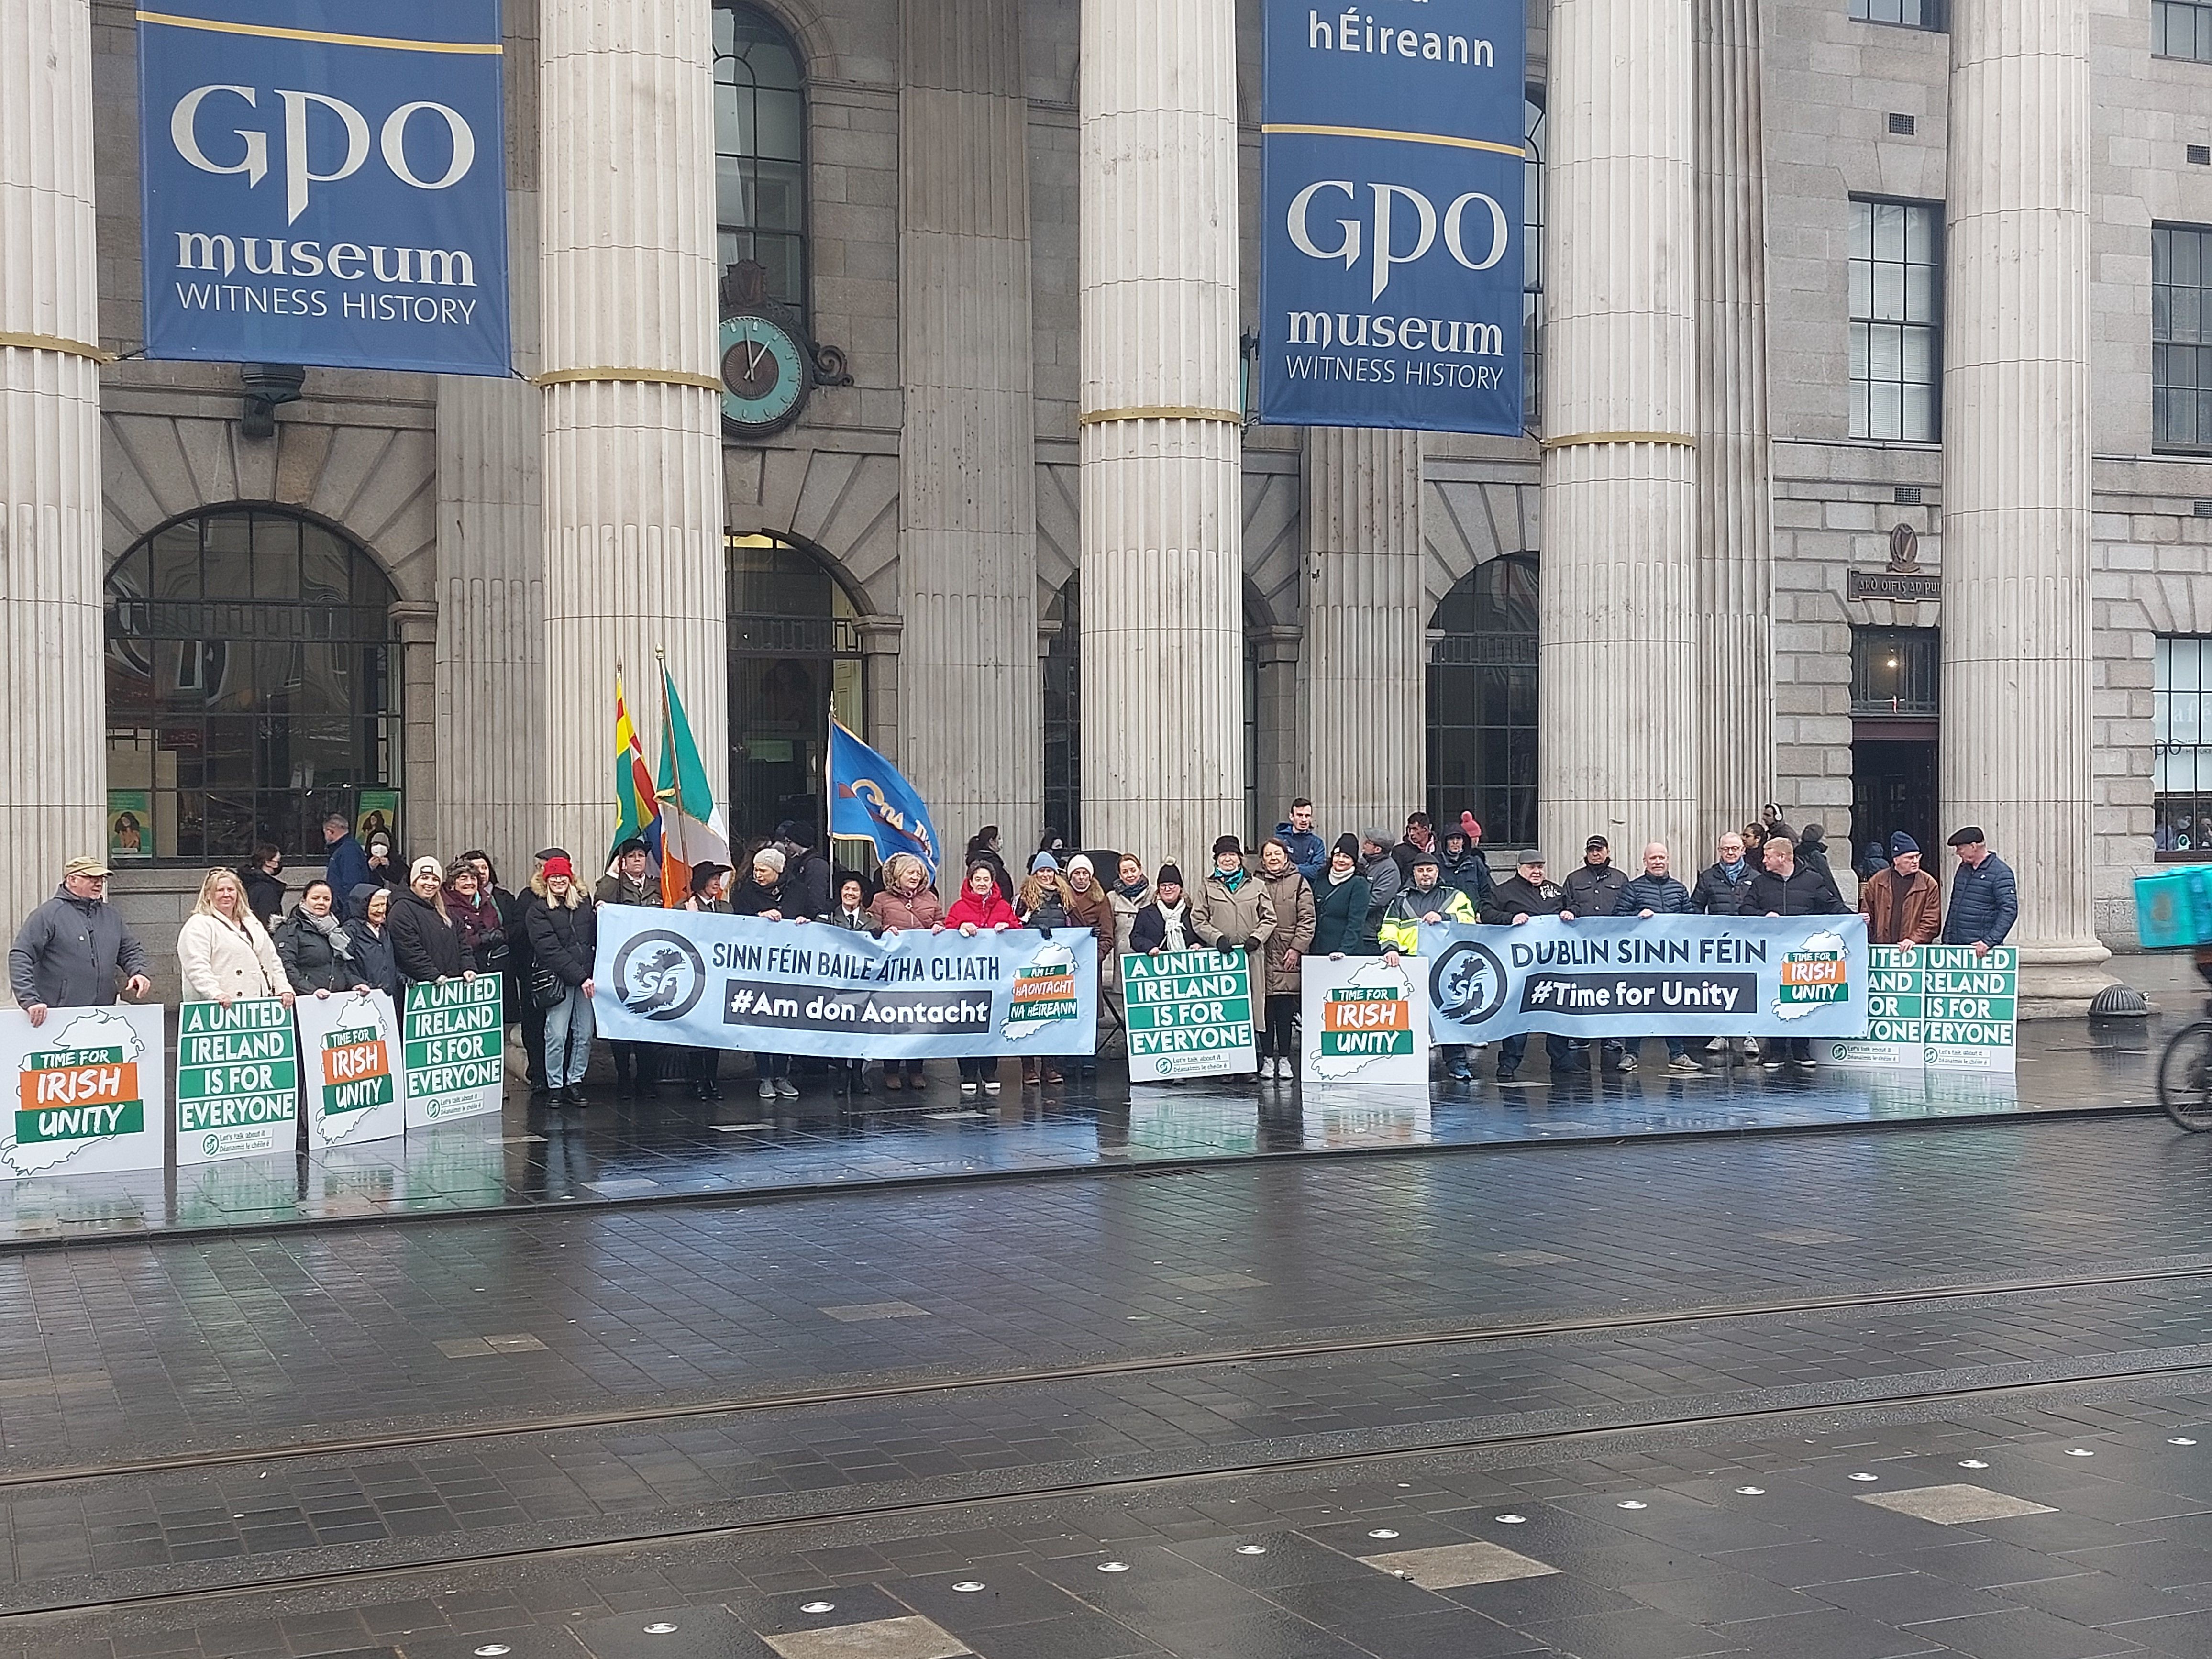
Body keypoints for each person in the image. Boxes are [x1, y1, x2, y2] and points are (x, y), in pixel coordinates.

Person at [8, 856, 153, 1026]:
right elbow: (21, 955)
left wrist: (139, 972)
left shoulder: (111, 915)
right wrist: (30, 1000)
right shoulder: (48, 915)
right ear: (72, 880)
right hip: (57, 1016)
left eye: (101, 879)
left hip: (103, 1014)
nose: (99, 884)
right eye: (92, 878)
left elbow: (130, 950)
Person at [1746, 830, 1847, 1068]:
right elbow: (1745, 909)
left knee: (1802, 998)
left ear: (1783, 857)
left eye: (1767, 856)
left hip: (1803, 954)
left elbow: (1832, 906)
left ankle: (1802, 1049)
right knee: (1773, 997)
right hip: (1771, 954)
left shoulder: (1812, 880)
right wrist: (1764, 915)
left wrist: (1855, 920)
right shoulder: (1761, 883)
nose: (1763, 861)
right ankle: (1776, 1050)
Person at [1380, 848, 1478, 1080]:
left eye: (1430, 870)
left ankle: (1457, 1062)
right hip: (1409, 963)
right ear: (1413, 874)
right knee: (1409, 1016)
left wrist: (1443, 918)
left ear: (1437, 872)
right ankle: (1407, 1065)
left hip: (1445, 964)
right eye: (1421, 870)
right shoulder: (1401, 899)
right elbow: (1389, 928)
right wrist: (1391, 949)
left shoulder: (1454, 896)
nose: (1425, 875)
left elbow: (1469, 921)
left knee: (1450, 1016)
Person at [1482, 852, 1576, 1084]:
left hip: (1554, 965)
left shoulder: (1554, 890)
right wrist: (1510, 918)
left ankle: (1561, 1059)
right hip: (1520, 968)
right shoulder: (1504, 892)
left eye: (1541, 867)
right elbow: (1486, 913)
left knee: (1557, 1010)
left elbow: (1573, 906)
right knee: (1518, 1013)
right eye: (1532, 867)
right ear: (1519, 868)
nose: (1537, 871)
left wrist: (1572, 912)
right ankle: (1509, 1062)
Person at [1193, 836, 1278, 1079]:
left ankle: (1250, 1064)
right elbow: (1198, 920)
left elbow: (1269, 917)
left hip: (1251, 956)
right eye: (1223, 856)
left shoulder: (1257, 885)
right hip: (1221, 957)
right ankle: (1226, 1066)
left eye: (1232, 855)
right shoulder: (1207, 887)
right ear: (1216, 860)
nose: (1228, 860)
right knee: (1224, 1009)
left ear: (1240, 858)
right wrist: (1216, 938)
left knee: (1251, 1007)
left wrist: (1257, 937)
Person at [1614, 843, 1701, 1075]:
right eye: (1653, 858)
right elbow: (1617, 917)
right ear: (1645, 861)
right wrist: (1636, 916)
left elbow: (1691, 919)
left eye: (1662, 857)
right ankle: (1631, 1054)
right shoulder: (1633, 889)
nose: (1658, 862)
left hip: (1672, 960)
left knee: (1673, 1005)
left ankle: (1678, 1054)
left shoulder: (1679, 889)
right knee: (1638, 1006)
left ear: (1668, 859)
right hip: (1641, 961)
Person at [733, 845, 807, 1100]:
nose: (758, 874)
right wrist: (759, 917)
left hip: (788, 971)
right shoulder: (746, 893)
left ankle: (782, 1076)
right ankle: (764, 1077)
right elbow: (735, 924)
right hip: (759, 970)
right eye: (756, 869)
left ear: (777, 871)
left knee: (784, 1023)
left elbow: (810, 914)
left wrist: (803, 922)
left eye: (763, 870)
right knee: (762, 1023)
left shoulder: (797, 891)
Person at [526, 855, 597, 1107]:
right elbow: (549, 950)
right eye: (553, 876)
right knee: (556, 1034)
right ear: (546, 880)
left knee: (585, 1034)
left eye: (562, 876)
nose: (558, 880)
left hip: (585, 979)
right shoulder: (538, 910)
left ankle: (574, 1082)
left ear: (571, 878)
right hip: (560, 980)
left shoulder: (584, 904)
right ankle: (555, 1085)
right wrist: (580, 977)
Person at [870, 852, 944, 1092]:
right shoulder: (881, 899)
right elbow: (870, 926)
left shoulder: (930, 898)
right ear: (897, 876)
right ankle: (891, 1070)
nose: (915, 877)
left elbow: (942, 921)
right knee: (893, 1019)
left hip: (922, 972)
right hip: (892, 972)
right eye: (910, 873)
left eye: (918, 873)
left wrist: (939, 927)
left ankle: (916, 1070)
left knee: (919, 1020)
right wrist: (884, 929)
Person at [596, 837, 663, 1095]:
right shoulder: (613, 886)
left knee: (649, 1020)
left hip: (651, 962)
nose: (638, 860)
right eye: (632, 856)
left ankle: (646, 1078)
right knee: (621, 1022)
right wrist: (613, 874)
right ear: (622, 862)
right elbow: (600, 903)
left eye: (641, 856)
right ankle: (623, 1076)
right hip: (622, 964)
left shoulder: (657, 887)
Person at [946, 861, 1018, 1096]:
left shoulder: (1004, 906)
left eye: (986, 879)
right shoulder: (958, 907)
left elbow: (1019, 933)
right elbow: (946, 933)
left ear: (992, 882)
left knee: (992, 1023)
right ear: (970, 881)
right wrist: (960, 927)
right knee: (966, 1023)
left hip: (995, 979)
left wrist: (1007, 927)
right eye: (978, 879)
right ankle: (968, 1072)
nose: (982, 884)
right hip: (966, 979)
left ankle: (989, 1071)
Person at [177, 867, 294, 1008]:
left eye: (231, 890)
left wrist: (283, 988)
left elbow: (272, 959)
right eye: (220, 890)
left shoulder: (252, 922)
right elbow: (196, 966)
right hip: (219, 1006)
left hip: (258, 1004)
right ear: (208, 895)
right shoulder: (199, 924)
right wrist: (215, 993)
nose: (226, 895)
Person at [1563, 836, 1629, 1072]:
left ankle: (1611, 1035)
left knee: (1612, 991)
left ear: (1608, 851)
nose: (1595, 854)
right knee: (1583, 991)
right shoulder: (1574, 879)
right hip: (1582, 946)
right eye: (1591, 850)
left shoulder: (1620, 878)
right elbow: (1567, 905)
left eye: (1599, 850)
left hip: (1613, 946)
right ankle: (1581, 1035)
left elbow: (1628, 908)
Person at [1255, 838, 1316, 1081]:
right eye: (1268, 854)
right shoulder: (1254, 882)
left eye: (1277, 853)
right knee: (1264, 1010)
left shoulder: (1299, 882)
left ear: (1286, 856)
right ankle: (1267, 1057)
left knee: (1284, 1010)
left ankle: (1285, 1058)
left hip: (1287, 953)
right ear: (1262, 859)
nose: (1273, 858)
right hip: (1260, 953)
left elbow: (1308, 919)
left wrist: (1297, 948)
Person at [821, 872, 882, 1095]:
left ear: (862, 895)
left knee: (859, 1029)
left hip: (862, 987)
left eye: (855, 890)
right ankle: (842, 1073)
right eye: (846, 889)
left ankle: (857, 1074)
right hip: (836, 985)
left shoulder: (874, 924)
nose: (850, 893)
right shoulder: (826, 919)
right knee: (838, 1029)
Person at [680, 863, 733, 1100]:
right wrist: (691, 918)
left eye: (719, 878)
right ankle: (696, 1079)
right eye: (713, 878)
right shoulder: (684, 908)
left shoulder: (726, 908)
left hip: (718, 978)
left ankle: (712, 1078)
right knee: (694, 1030)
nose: (717, 883)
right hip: (695, 978)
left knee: (714, 1030)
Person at [511, 848, 561, 1092]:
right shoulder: (528, 897)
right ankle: (539, 1072)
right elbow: (518, 933)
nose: (539, 872)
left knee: (562, 1027)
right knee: (534, 1025)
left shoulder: (574, 896)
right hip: (533, 971)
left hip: (564, 972)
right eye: (538, 867)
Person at [1063, 853, 1115, 1081]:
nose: (1081, 878)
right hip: (1063, 964)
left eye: (1085, 873)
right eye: (1077, 873)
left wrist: (1097, 955)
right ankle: (1067, 1058)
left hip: (1089, 964)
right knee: (1065, 1011)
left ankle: (1088, 1059)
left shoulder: (1101, 899)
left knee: (1088, 1012)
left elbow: (1107, 934)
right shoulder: (1061, 897)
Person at [274, 879, 364, 998]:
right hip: (306, 1000)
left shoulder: (335, 930)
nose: (321, 903)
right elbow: (286, 966)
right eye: (315, 898)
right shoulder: (290, 929)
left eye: (326, 899)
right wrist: (312, 990)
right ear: (304, 900)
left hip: (335, 999)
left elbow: (340, 966)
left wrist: (355, 983)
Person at [388, 857, 470, 985]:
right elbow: (409, 950)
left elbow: (463, 942)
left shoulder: (445, 910)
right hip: (421, 989)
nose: (430, 883)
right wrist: (433, 975)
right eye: (425, 878)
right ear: (414, 881)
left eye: (435, 879)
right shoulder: (401, 910)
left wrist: (468, 967)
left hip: (450, 986)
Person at [1942, 827, 2018, 957]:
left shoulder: (2001, 872)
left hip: (1981, 948)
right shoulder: (1963, 869)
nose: (1957, 853)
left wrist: (1989, 941)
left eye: (1960, 848)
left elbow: (2009, 910)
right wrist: (1947, 939)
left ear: (1973, 846)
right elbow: (1955, 905)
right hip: (1957, 945)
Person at [1860, 832, 1941, 946]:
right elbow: (1867, 913)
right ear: (1896, 860)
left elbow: (1932, 921)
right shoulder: (1877, 881)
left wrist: (1914, 939)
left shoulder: (1928, 884)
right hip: (1882, 948)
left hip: (1914, 949)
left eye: (1918, 856)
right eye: (1910, 858)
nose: (1916, 861)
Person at [446, 859, 509, 987]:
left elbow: (497, 925)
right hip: (460, 973)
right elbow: (453, 942)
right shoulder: (446, 906)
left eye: (473, 878)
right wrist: (481, 939)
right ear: (453, 883)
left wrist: (499, 935)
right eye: (463, 878)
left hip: (489, 970)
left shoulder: (486, 901)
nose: (469, 883)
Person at [1309, 835, 1372, 959]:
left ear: (1354, 861)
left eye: (1346, 857)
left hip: (1346, 953)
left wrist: (1344, 950)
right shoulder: (1321, 878)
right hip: (1318, 951)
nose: (1341, 860)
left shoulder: (1359, 884)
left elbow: (1356, 922)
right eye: (1338, 855)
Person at [348, 884, 402, 998]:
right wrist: (359, 984)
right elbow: (344, 967)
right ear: (363, 907)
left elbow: (389, 962)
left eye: (383, 905)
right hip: (364, 997)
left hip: (388, 996)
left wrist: (401, 978)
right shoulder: (350, 931)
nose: (381, 910)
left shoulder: (384, 930)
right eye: (376, 906)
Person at [1129, 863, 1195, 954]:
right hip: (1156, 964)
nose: (1167, 889)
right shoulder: (1146, 914)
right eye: (1163, 886)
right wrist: (1149, 947)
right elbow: (1135, 938)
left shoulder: (1192, 913)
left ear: (1180, 888)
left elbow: (1202, 934)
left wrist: (1198, 944)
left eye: (1172, 885)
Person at [1358, 828, 1403, 952]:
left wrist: (1353, 910)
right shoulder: (1363, 862)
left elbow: (1378, 901)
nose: (1364, 844)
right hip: (1357, 929)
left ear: (1377, 849)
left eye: (1368, 843)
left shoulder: (1390, 870)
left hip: (1372, 932)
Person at [1438, 819, 1496, 911]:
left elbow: (1487, 892)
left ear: (1464, 842)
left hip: (1474, 917)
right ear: (1445, 842)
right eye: (1451, 839)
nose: (1455, 842)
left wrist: (1483, 912)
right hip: (1446, 919)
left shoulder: (1475, 863)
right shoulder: (1436, 864)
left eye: (1459, 839)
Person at [778, 821, 832, 920]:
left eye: (788, 841)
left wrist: (812, 917)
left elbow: (816, 898)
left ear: (799, 841)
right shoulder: (800, 862)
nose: (786, 846)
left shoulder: (816, 864)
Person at [1276, 799, 1327, 883]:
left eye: (1307, 816)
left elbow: (1317, 872)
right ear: (1291, 817)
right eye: (1300, 815)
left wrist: (1292, 868)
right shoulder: (1280, 840)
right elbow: (1279, 868)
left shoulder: (1318, 843)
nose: (1304, 820)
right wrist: (1307, 867)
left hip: (1310, 889)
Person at [322, 813, 370, 899]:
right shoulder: (347, 848)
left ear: (330, 831)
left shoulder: (348, 851)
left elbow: (352, 884)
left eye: (325, 832)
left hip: (345, 907)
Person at [963, 827, 1015, 902]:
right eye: (999, 838)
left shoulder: (989, 859)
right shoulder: (989, 862)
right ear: (991, 841)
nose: (1001, 841)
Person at [239, 844, 286, 926]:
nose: (279, 865)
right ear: (268, 862)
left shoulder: (248, 881)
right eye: (278, 861)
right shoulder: (266, 889)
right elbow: (269, 920)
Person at [1390, 812, 1436, 881]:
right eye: (1410, 829)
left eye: (1415, 829)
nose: (1411, 833)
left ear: (1425, 830)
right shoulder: (1399, 851)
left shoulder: (1440, 848)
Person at [363, 830, 404, 896]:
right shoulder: (364, 861)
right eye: (375, 845)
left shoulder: (396, 861)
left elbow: (403, 879)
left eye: (383, 845)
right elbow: (361, 880)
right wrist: (369, 868)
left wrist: (389, 866)